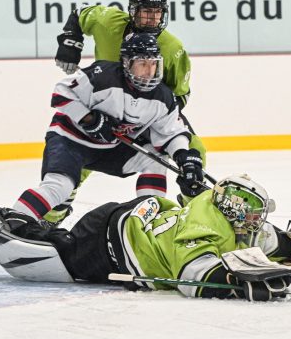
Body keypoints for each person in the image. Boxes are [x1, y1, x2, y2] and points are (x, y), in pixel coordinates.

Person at [0, 175, 291, 301]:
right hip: (112, 243)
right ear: (233, 210)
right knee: (50, 258)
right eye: (253, 214)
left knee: (256, 243)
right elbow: (196, 279)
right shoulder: (206, 225)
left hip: (143, 213)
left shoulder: (229, 214)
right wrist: (235, 285)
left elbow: (265, 242)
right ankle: (0, 223)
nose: (258, 222)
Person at [49, 0, 206, 223]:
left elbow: (179, 97)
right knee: (77, 156)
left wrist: (145, 121)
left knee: (195, 150)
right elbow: (80, 14)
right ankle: (53, 213)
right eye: (145, 11)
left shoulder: (173, 49)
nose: (151, 18)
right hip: (103, 108)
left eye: (157, 12)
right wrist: (70, 41)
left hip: (146, 115)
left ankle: (195, 212)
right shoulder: (108, 22)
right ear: (132, 11)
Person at [13, 33, 204, 223]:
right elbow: (61, 92)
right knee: (60, 187)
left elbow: (171, 132)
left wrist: (183, 157)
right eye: (142, 64)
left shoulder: (162, 97)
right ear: (127, 63)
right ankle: (13, 222)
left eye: (153, 64)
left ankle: (149, 219)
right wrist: (90, 119)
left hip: (110, 148)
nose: (149, 71)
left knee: (155, 159)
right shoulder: (103, 76)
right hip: (70, 141)